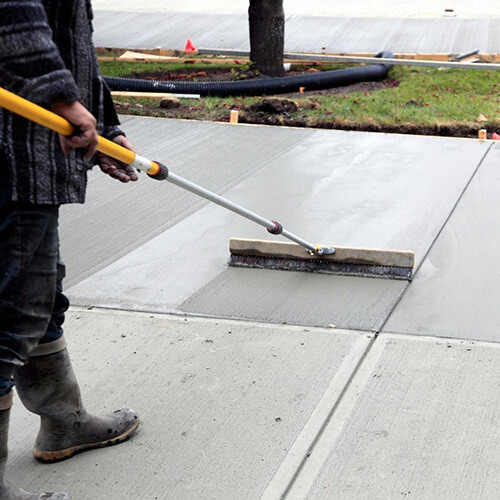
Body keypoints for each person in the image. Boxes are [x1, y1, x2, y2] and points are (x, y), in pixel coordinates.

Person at [0, 2, 140, 498]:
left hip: (36, 151)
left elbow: (67, 37)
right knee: (10, 317)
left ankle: (64, 421)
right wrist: (64, 102)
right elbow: (12, 16)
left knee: (39, 298)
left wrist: (104, 124)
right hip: (12, 151)